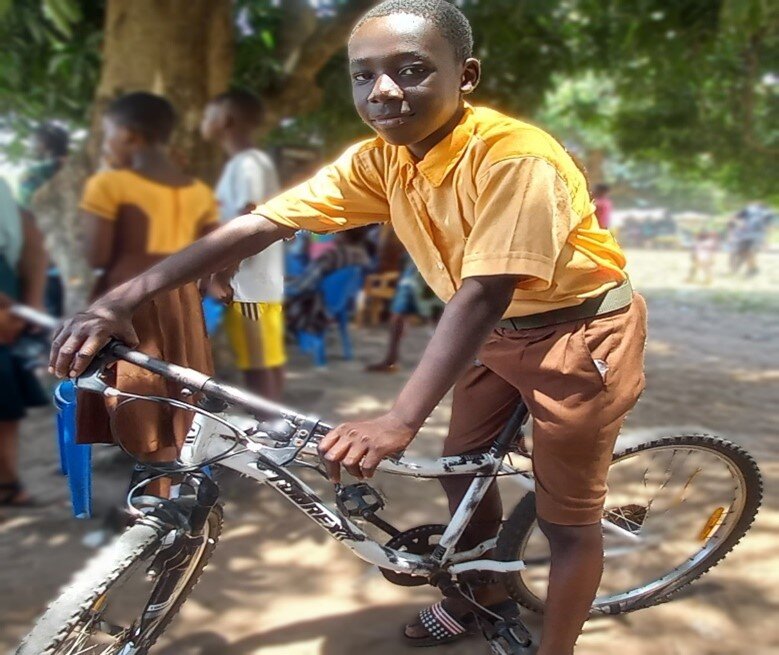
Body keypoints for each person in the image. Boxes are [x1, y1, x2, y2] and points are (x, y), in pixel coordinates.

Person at [49, 3, 647, 653]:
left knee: (567, 524)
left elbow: (482, 292)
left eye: (411, 70)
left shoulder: (514, 159)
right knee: (459, 468)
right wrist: (122, 299)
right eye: (364, 76)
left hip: (576, 335)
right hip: (496, 336)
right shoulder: (383, 159)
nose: (383, 90)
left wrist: (397, 419)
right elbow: (266, 219)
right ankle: (481, 591)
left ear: (465, 75)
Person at [76, 92, 218, 498]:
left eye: (108, 136)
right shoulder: (196, 190)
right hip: (182, 301)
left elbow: (96, 253)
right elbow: (208, 251)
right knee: (177, 397)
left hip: (129, 299)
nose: (106, 146)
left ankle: (156, 510)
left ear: (130, 136)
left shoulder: (110, 184)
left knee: (140, 398)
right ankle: (171, 495)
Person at [200, 89, 285, 400]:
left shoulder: (248, 164)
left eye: (208, 114)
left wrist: (221, 274)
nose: (203, 122)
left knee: (258, 364)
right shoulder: (244, 163)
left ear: (226, 119)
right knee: (261, 360)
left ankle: (272, 431)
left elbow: (246, 218)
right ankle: (273, 427)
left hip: (249, 284)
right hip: (251, 282)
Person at [0, 179, 48, 510]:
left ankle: (7, 483)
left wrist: (28, 302)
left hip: (8, 296)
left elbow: (30, 237)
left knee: (6, 403)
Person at [18, 123, 70, 317]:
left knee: (57, 330)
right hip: (91, 262)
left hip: (50, 262)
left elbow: (28, 219)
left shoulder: (33, 175)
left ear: (42, 144)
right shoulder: (88, 172)